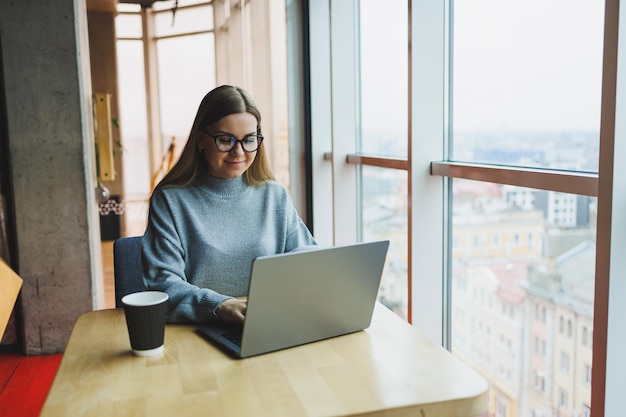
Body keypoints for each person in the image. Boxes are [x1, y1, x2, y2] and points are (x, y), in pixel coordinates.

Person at [142, 85, 317, 325]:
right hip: (197, 330)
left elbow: (308, 258)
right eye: (225, 140)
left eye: (249, 140)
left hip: (265, 323)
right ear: (200, 140)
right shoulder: (171, 200)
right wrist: (219, 305)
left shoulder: (274, 195)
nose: (239, 152)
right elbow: (163, 283)